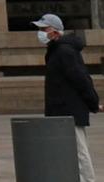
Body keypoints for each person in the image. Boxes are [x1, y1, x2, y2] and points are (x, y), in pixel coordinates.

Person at [39, 13, 100, 182]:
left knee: (79, 151)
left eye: (45, 29)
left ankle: (87, 180)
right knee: (68, 151)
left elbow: (81, 79)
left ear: (57, 31)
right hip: (60, 110)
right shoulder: (55, 51)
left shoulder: (64, 52)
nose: (42, 33)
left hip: (69, 110)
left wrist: (93, 103)